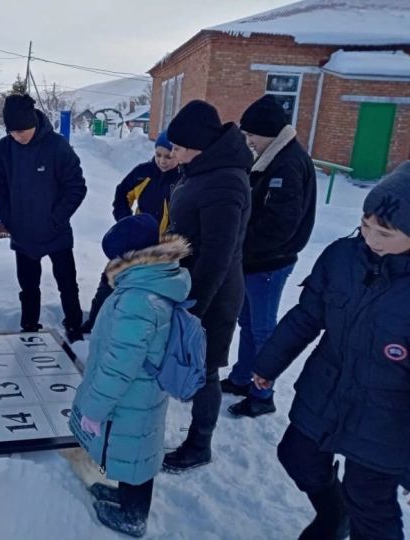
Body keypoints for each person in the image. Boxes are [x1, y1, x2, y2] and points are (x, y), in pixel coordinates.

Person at [252, 161, 410, 540]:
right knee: (297, 456)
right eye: (365, 225)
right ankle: (333, 514)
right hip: (326, 392)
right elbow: (307, 315)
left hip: (385, 419)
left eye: (386, 233)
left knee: (369, 502)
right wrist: (269, 363)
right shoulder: (342, 257)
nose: (371, 239)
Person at [69, 214, 191, 538]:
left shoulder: (137, 299)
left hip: (131, 394)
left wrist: (94, 409)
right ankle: (126, 499)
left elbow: (119, 366)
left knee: (134, 453)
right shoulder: (150, 282)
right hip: (141, 392)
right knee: (133, 450)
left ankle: (133, 517)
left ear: (130, 257)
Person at [161, 100, 253, 473]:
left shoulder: (226, 182)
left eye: (179, 148)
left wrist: (195, 306)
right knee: (192, 364)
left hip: (212, 293)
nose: (174, 154)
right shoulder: (202, 169)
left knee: (206, 368)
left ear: (198, 144)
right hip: (189, 285)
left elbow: (218, 253)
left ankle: (200, 444)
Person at [222, 95, 317, 418]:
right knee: (247, 323)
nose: (248, 142)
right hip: (254, 261)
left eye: (252, 136)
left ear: (270, 133)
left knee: (262, 329)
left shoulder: (287, 164)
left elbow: (279, 225)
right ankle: (242, 377)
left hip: (269, 263)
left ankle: (262, 394)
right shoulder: (271, 159)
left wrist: (241, 245)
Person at [0, 94, 87, 342]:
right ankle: (29, 325)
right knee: (28, 286)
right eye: (12, 131)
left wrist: (57, 218)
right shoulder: (4, 148)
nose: (18, 136)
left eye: (22, 130)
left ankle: (74, 325)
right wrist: (8, 218)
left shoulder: (57, 146)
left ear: (34, 123)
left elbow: (76, 186)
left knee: (67, 284)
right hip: (22, 232)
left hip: (56, 232)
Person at [81, 131, 182, 333]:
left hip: (163, 249)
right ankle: (93, 323)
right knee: (109, 281)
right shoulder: (143, 172)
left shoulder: (182, 179)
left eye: (168, 156)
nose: (162, 161)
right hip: (134, 243)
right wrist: (126, 223)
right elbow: (122, 194)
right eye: (158, 155)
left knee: (149, 294)